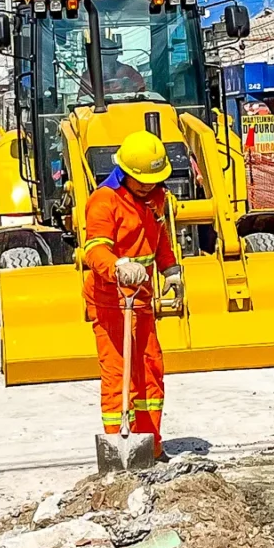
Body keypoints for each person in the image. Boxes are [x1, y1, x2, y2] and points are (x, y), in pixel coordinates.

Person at [80, 128, 179, 445]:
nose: (149, 185)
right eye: (143, 180)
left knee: (151, 371)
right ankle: (119, 444)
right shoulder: (104, 201)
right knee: (118, 377)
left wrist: (171, 269)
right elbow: (94, 250)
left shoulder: (155, 198)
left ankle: (150, 445)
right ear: (125, 173)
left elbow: (159, 239)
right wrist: (120, 267)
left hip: (142, 300)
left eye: (154, 179)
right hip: (110, 302)